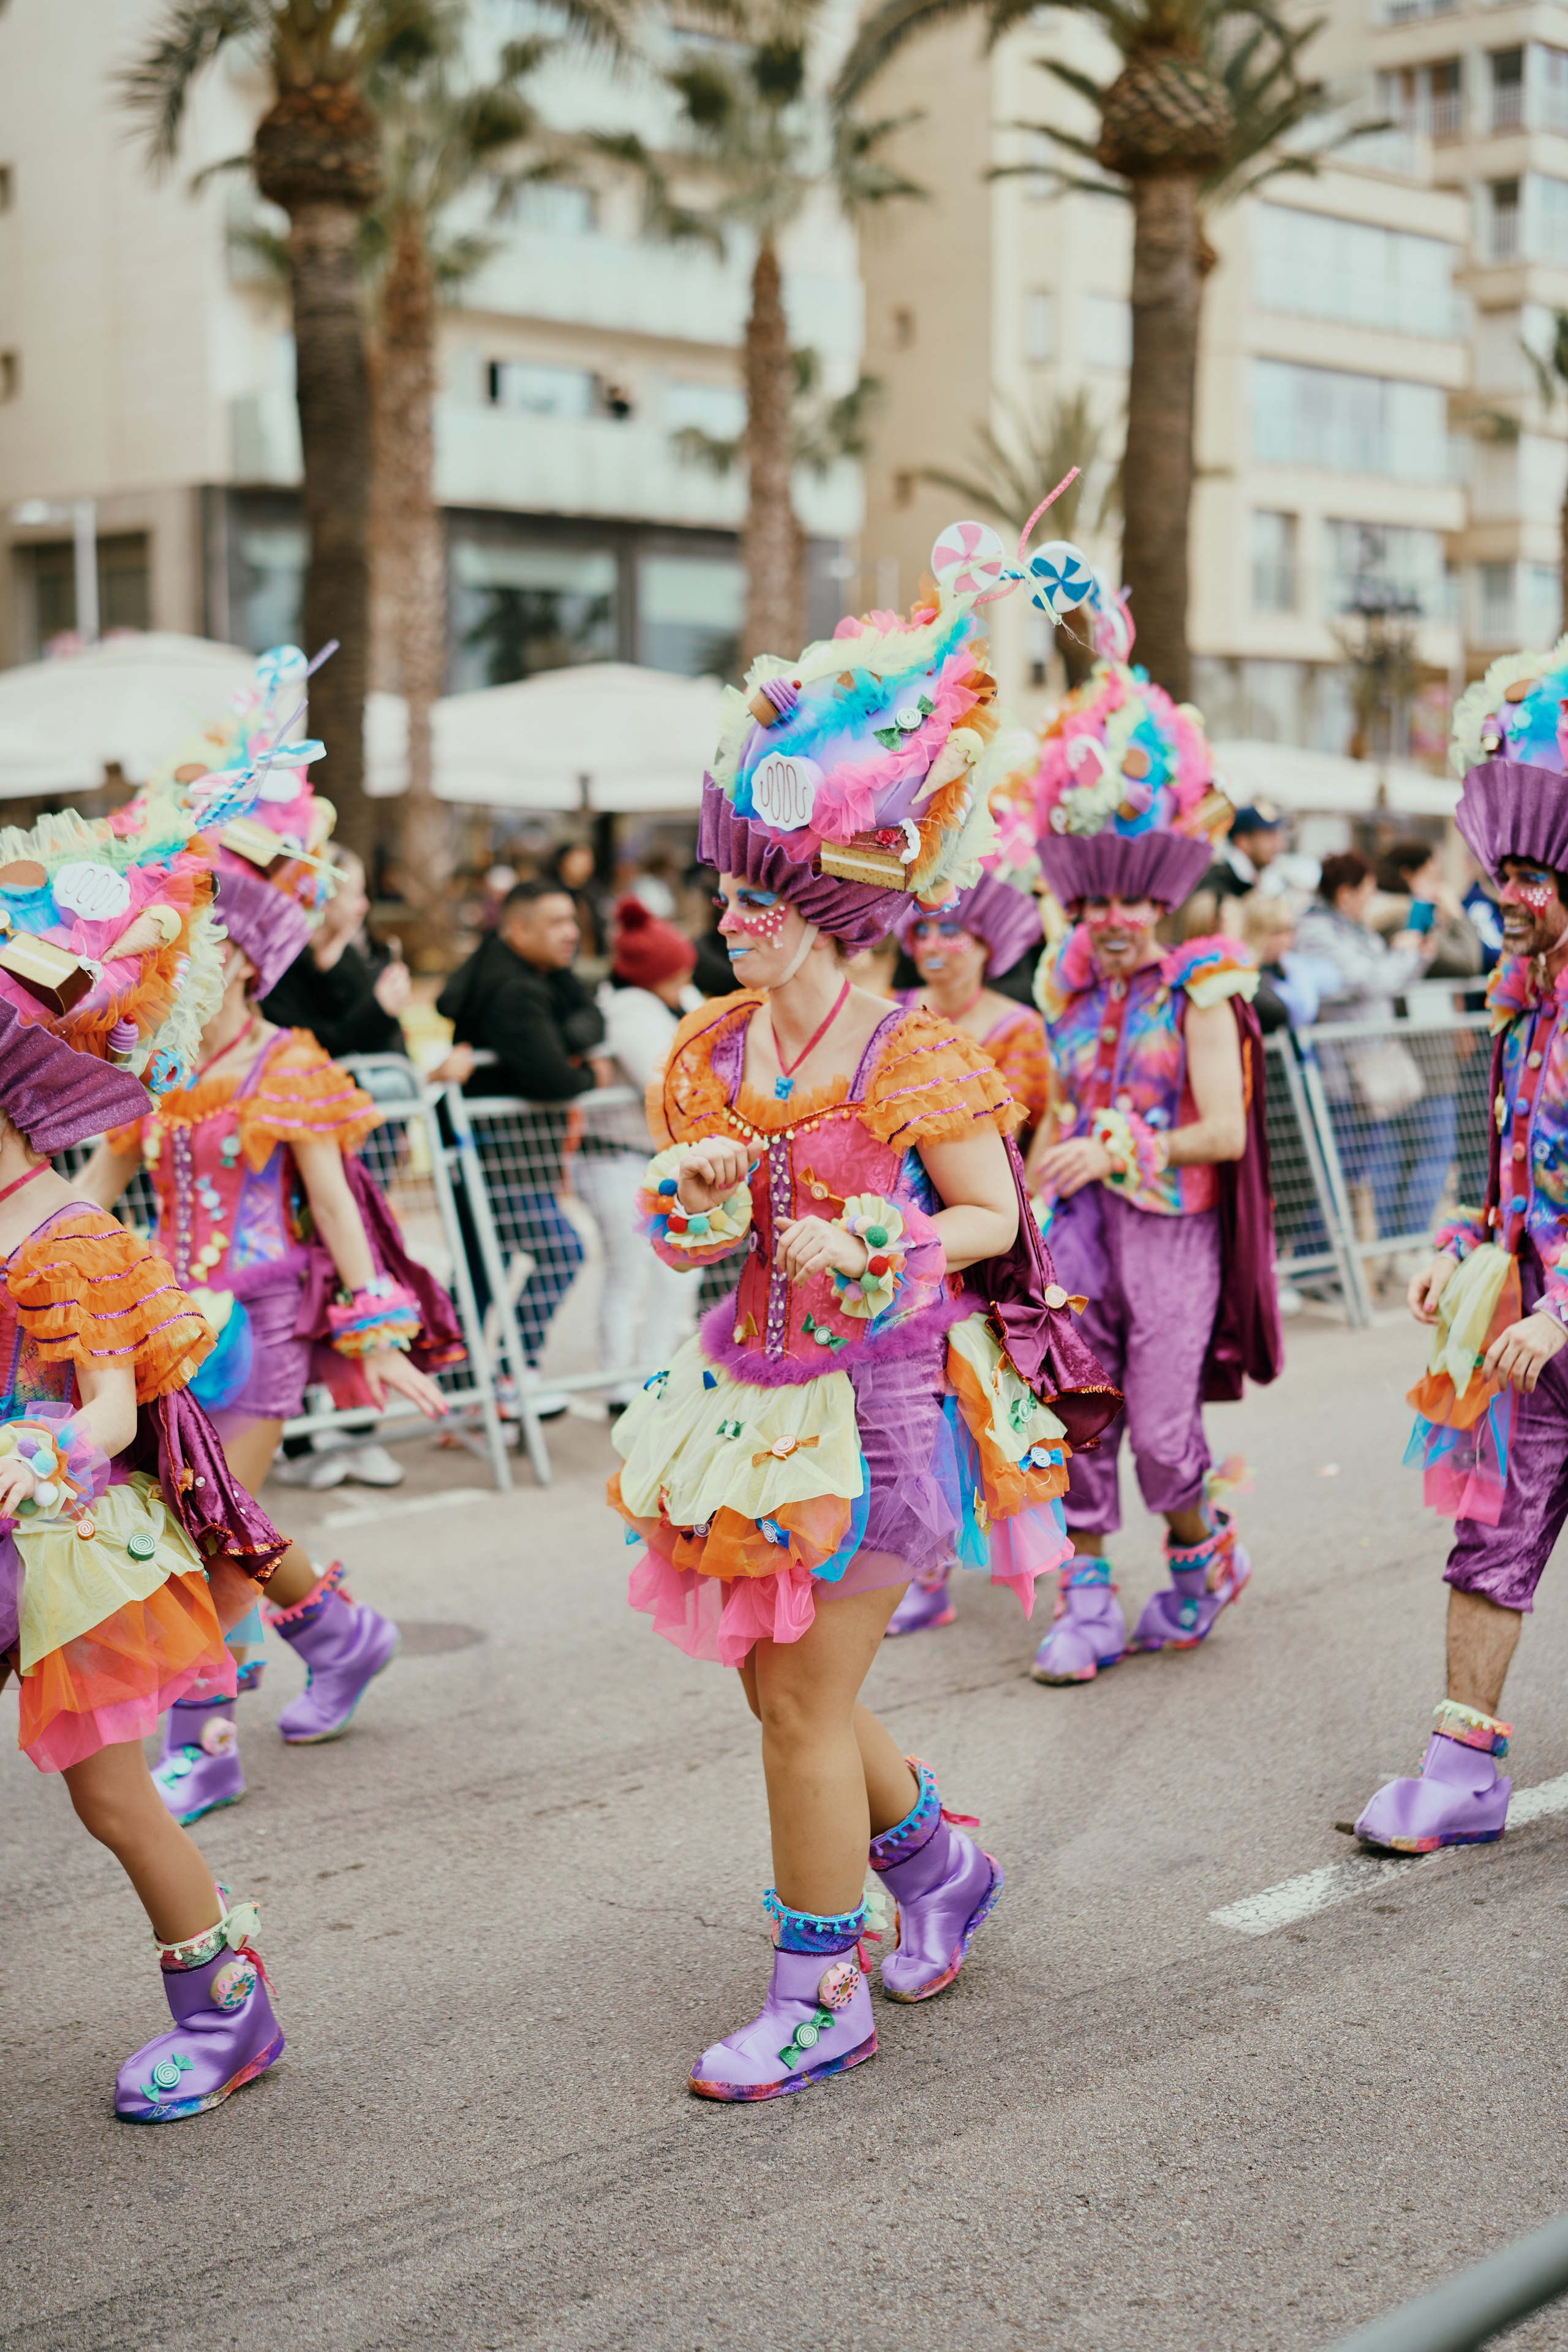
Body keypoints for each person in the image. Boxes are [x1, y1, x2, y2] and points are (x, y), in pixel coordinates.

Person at [609, 529, 1119, 2100]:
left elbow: (990, 1212)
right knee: (782, 1685)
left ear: (821, 904)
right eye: (725, 892)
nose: (726, 915)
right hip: (746, 1397)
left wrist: (876, 1235)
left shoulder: (905, 1047)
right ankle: (936, 1867)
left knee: (797, 1703)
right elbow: (697, 1212)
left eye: (750, 897)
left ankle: (817, 1987)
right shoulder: (709, 1046)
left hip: (879, 1409)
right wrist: (697, 1205)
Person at [81, 780, 460, 1827]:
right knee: (221, 1525)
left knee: (198, 1532)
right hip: (161, 1329)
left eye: (196, 954)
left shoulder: (288, 1065)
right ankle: (342, 1635)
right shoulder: (153, 1076)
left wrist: (381, 1338)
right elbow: (89, 1198)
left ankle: (201, 1749)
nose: (173, 975)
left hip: (262, 1323)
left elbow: (339, 1210)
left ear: (244, 964)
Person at [0, 989, 292, 2122]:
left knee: (116, 1803)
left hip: (70, 1549)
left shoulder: (73, 1234)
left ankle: (228, 2013)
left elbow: (112, 1414)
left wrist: (34, 1453)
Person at [1012, 571, 1284, 1684]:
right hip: (1081, 1235)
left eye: (1129, 903)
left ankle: (1200, 1560)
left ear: (1162, 900)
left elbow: (1222, 1132)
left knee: (1168, 1438)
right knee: (1076, 1412)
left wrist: (1128, 1148)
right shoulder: (1067, 997)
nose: (1111, 923)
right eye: (1092, 905)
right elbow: (1062, 1122)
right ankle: (1085, 1603)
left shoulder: (1204, 985)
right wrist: (1027, 1193)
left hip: (1174, 1233)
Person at [1356, 644, 1568, 1849]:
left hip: (1555, 1322)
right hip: (1520, 1337)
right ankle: (1458, 1772)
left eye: (1537, 872)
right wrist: (1453, 1243)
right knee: (1488, 1530)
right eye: (1507, 869)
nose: (1513, 894)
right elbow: (1496, 1173)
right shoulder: (1515, 1001)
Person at [882, 870, 1051, 1636]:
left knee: (971, 1397)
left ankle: (946, 1550)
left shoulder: (1016, 1026)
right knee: (917, 1403)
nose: (937, 945)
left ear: (986, 944)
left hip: (987, 1229)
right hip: (908, 1238)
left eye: (953, 931)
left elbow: (1020, 1137)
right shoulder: (893, 1019)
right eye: (924, 931)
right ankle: (921, 1568)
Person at [437, 878, 611, 1387]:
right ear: (518, 928)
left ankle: (459, 1383)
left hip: (507, 1153)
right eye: (557, 923)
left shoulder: (541, 972)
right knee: (560, 1251)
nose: (571, 933)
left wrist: (564, 1039)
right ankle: (514, 1366)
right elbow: (551, 1078)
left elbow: (592, 1018)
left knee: (478, 1272)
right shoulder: (513, 989)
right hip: (496, 1155)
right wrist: (588, 1073)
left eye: (573, 921)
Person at [576, 897, 701, 1412]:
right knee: (629, 1269)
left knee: (681, 1271)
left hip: (658, 1160)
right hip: (613, 1157)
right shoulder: (628, 1012)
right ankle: (619, 1381)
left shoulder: (675, 999)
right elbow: (672, 1077)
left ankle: (655, 1373)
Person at [1295, 852, 1441, 1244]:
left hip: (1367, 1070)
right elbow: (1371, 980)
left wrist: (1416, 955)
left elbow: (1389, 976)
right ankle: (1317, 1268)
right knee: (1333, 1177)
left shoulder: (1354, 929)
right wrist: (1404, 953)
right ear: (1345, 894)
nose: (1371, 900)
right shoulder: (1316, 931)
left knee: (1357, 1174)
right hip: (1338, 1075)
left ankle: (1335, 1269)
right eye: (1367, 892)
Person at [260, 845, 410, 1061]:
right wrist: (379, 1008)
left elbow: (390, 1044)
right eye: (357, 895)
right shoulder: (282, 965)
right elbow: (317, 1045)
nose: (365, 905)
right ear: (324, 901)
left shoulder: (347, 955)